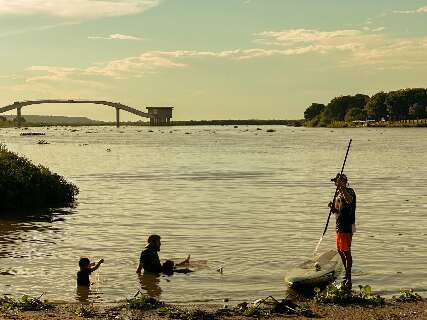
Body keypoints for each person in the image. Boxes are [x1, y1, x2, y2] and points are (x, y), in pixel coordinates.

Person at [328, 173, 356, 289]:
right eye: (336, 182)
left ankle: (348, 277)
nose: (336, 184)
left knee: (346, 251)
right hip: (339, 226)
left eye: (338, 182)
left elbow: (349, 201)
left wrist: (342, 188)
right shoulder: (337, 194)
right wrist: (332, 208)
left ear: (344, 182)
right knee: (340, 251)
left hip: (347, 226)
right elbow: (337, 211)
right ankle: (346, 271)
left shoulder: (349, 191)